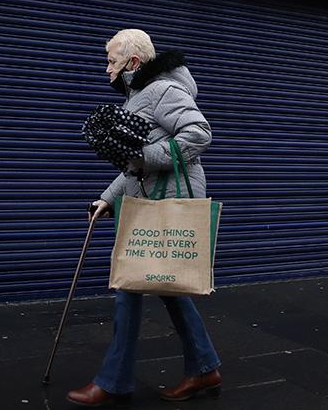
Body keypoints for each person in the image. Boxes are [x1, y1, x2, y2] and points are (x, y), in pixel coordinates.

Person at [67, 29, 221, 407]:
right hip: (146, 198)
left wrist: (147, 157)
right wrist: (106, 198)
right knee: (167, 288)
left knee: (129, 287)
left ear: (133, 63)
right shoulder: (141, 95)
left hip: (166, 201)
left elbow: (199, 134)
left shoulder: (163, 91)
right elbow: (133, 159)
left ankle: (113, 382)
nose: (107, 70)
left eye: (112, 62)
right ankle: (204, 367)